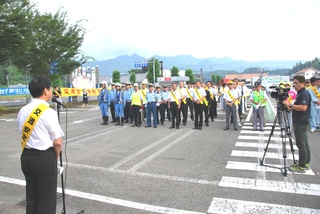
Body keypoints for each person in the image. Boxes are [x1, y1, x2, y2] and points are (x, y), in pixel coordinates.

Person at [17, 76, 64, 214]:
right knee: (47, 200)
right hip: (44, 157)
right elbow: (57, 142)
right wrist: (54, 158)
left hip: (26, 156)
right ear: (45, 90)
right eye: (50, 88)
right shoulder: (48, 112)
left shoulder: (23, 111)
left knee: (32, 198)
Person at [283, 75, 311, 173]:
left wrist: (290, 104)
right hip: (300, 120)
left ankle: (301, 165)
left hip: (301, 121)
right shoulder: (299, 93)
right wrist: (291, 107)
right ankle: (306, 162)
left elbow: (303, 107)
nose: (295, 85)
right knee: (304, 143)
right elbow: (298, 106)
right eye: (294, 83)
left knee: (301, 144)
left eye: (296, 83)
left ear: (303, 83)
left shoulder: (304, 94)